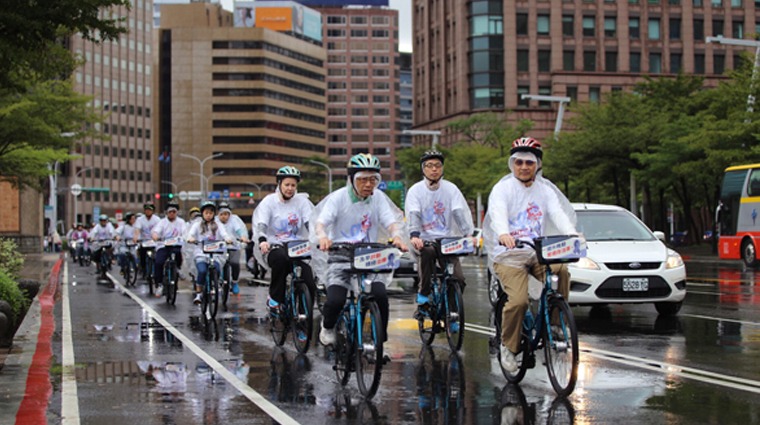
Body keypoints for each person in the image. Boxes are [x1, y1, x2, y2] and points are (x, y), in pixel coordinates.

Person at [483, 137, 578, 373]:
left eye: (529, 162)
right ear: (512, 164)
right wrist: (504, 233)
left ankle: (556, 324)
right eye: (518, 162)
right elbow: (497, 214)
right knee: (519, 301)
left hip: (537, 253)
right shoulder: (502, 189)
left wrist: (572, 234)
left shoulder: (545, 191)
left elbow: (558, 214)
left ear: (537, 165)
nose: (523, 167)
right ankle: (509, 346)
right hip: (509, 255)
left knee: (561, 271)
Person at [310, 153, 409, 347]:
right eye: (363, 179)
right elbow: (321, 223)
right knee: (336, 300)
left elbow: (391, 222)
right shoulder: (338, 198)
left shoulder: (378, 198)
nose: (368, 184)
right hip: (341, 256)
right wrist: (322, 237)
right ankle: (328, 327)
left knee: (380, 295)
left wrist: (397, 236)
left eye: (373, 179)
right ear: (352, 179)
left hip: (369, 257)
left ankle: (380, 339)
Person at [405, 150, 474, 318]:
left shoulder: (451, 189)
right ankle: (423, 295)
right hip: (425, 240)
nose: (434, 169)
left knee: (458, 279)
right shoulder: (416, 190)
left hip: (447, 241)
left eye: (437, 165)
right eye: (429, 166)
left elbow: (458, 212)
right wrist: (415, 236)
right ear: (423, 169)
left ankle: (451, 312)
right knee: (427, 254)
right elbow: (414, 214)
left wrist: (468, 234)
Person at [253, 166, 316, 313]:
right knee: (281, 259)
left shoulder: (302, 202)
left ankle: (303, 319)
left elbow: (309, 223)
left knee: (310, 283)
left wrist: (317, 238)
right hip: (274, 245)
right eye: (287, 185)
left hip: (296, 246)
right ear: (279, 184)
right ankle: (275, 298)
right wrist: (262, 240)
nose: (290, 188)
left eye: (293, 185)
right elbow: (261, 223)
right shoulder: (269, 201)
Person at [186, 201, 232, 305]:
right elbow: (190, 235)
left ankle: (215, 285)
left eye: (210, 213)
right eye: (206, 213)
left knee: (216, 269)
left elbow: (224, 234)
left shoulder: (218, 225)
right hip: (201, 253)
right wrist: (191, 239)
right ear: (202, 214)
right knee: (202, 271)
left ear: (213, 214)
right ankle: (199, 294)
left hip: (215, 253)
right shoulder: (197, 225)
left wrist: (227, 239)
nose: (208, 215)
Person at [151, 201, 187, 297]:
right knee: (159, 262)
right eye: (170, 211)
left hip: (176, 245)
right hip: (163, 245)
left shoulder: (181, 222)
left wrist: (185, 237)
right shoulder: (162, 222)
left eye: (174, 212)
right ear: (166, 212)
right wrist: (155, 236)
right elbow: (156, 231)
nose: (172, 214)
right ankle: (159, 284)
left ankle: (177, 269)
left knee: (178, 254)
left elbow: (185, 232)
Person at [217, 201, 249, 295]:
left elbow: (239, 230)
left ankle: (234, 282)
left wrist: (242, 237)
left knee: (234, 263)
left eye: (226, 214)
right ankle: (216, 282)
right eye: (222, 214)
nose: (224, 216)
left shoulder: (234, 220)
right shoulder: (215, 221)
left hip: (233, 246)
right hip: (219, 247)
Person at [134, 202, 161, 276]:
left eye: (150, 210)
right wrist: (136, 237)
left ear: (153, 211)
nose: (148, 211)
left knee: (157, 257)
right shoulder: (140, 219)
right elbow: (137, 229)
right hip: (144, 241)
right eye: (146, 210)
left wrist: (158, 237)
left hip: (154, 242)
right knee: (142, 255)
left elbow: (160, 229)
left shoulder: (157, 219)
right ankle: (143, 269)